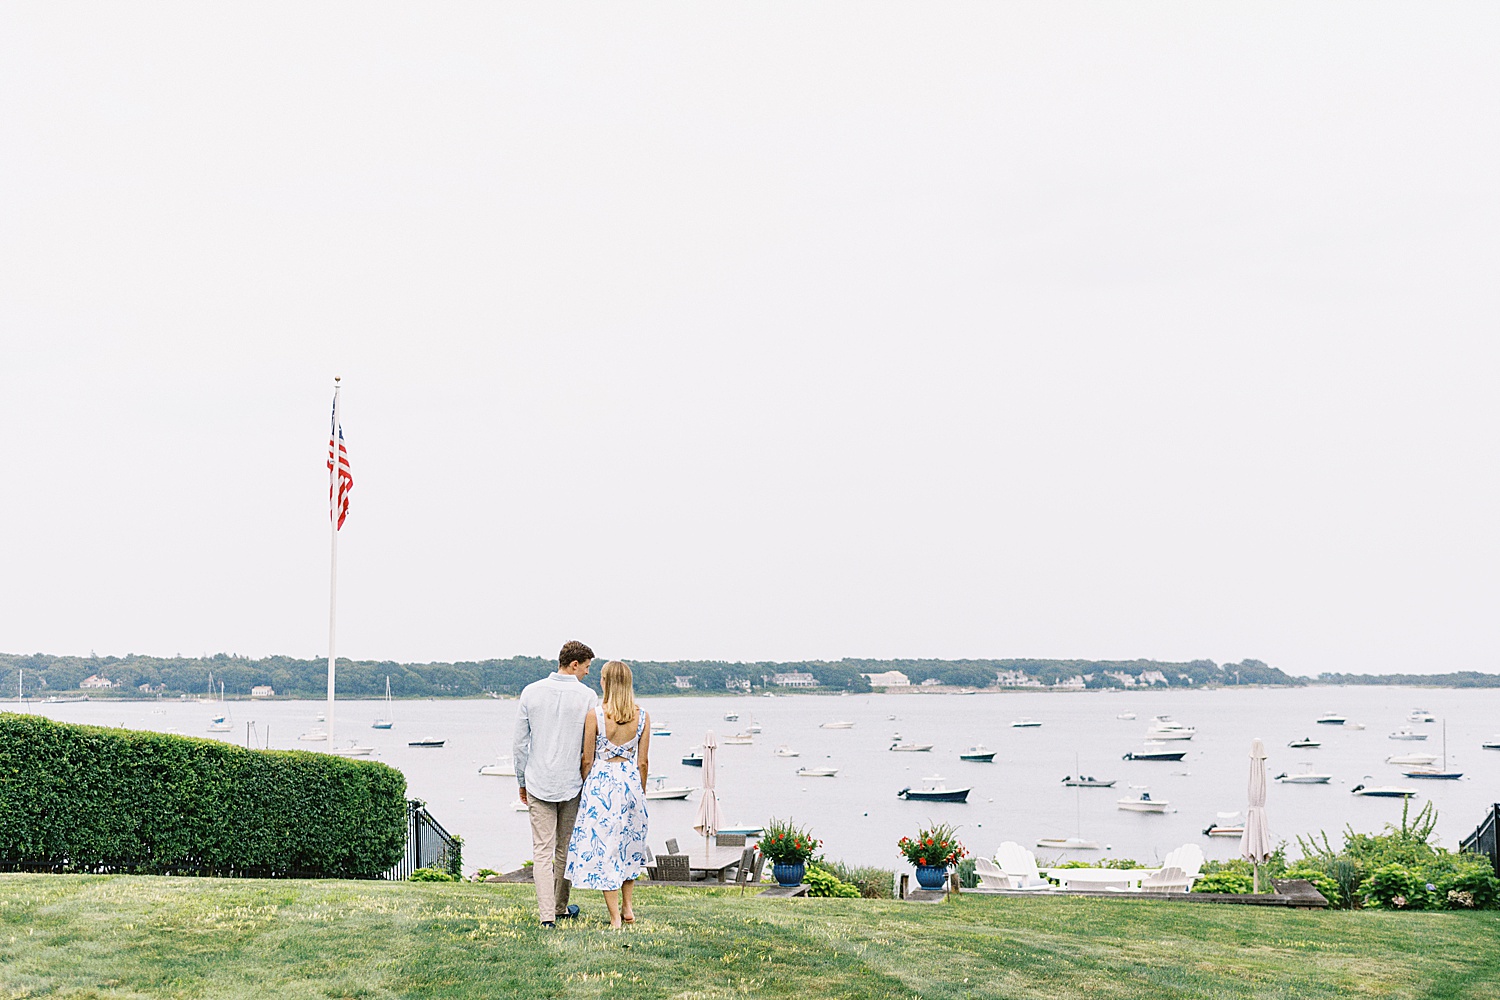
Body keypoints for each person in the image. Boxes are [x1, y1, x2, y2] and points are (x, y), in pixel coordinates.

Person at [513, 640, 598, 927]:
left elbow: (520, 744)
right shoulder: (587, 697)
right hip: (572, 783)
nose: (587, 673)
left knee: (541, 850)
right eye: (586, 667)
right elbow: (591, 746)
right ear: (574, 664)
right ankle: (560, 907)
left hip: (538, 781)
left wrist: (522, 780)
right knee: (564, 849)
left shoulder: (531, 692)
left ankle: (547, 916)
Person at [564, 660, 651, 929]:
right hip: (630, 783)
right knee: (628, 845)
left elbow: (586, 759)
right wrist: (640, 791)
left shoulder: (596, 715)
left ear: (606, 683)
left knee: (605, 850)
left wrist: (587, 784)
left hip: (602, 783)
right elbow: (643, 762)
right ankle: (627, 908)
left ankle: (615, 917)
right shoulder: (643, 716)